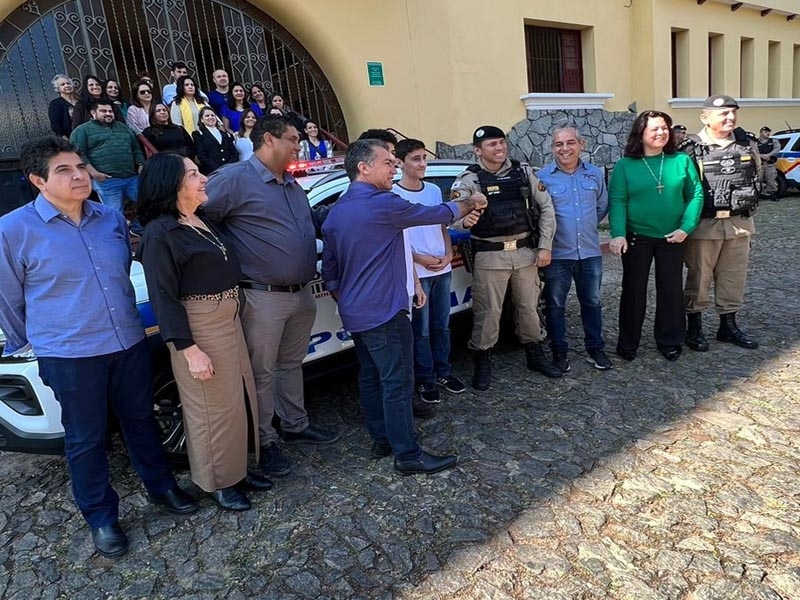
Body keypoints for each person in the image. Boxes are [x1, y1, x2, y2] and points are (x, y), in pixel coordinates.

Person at [0, 136, 197, 558]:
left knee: (141, 421)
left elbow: (123, 272)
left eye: (80, 166)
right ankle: (102, 516)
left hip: (126, 341)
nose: (79, 176)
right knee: (86, 439)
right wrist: (34, 343)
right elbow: (8, 300)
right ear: (37, 180)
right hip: (70, 355)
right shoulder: (13, 230)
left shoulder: (110, 219)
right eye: (64, 171)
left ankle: (162, 488)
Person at [322, 139, 486, 474]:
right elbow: (437, 213)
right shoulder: (383, 204)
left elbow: (331, 270)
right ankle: (407, 455)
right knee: (397, 381)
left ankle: (382, 439)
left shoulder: (336, 211)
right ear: (363, 167)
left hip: (358, 312)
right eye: (386, 162)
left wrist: (346, 298)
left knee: (371, 376)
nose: (394, 166)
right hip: (385, 310)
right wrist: (471, 201)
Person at [203, 116, 339, 479]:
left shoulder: (291, 185)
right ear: (268, 139)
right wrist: (228, 257)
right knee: (261, 375)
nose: (299, 145)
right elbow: (198, 219)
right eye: (293, 139)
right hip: (262, 296)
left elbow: (312, 223)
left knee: (290, 365)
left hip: (300, 293)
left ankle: (295, 424)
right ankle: (265, 443)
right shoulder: (234, 179)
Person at [136, 153, 272, 512]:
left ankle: (237, 471)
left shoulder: (202, 219)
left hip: (228, 317)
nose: (204, 178)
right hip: (200, 325)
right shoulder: (160, 233)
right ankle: (218, 482)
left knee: (237, 402)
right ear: (171, 184)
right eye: (194, 173)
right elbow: (164, 298)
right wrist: (189, 349)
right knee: (210, 408)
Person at [450, 125, 561, 390]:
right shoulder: (469, 180)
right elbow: (453, 217)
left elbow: (546, 208)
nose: (499, 148)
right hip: (490, 257)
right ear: (478, 151)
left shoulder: (523, 173)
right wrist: (466, 220)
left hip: (525, 253)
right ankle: (482, 361)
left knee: (529, 309)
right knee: (488, 313)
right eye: (492, 145)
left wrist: (545, 246)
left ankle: (535, 354)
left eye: (502, 143)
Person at [608, 110, 704, 361]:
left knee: (671, 289)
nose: (661, 132)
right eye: (655, 129)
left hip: (673, 236)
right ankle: (628, 343)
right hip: (637, 237)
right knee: (633, 290)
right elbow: (618, 200)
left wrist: (686, 228)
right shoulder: (625, 165)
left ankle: (670, 340)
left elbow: (695, 195)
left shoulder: (681, 160)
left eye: (665, 128)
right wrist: (618, 234)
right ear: (641, 134)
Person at [681, 94, 761, 352]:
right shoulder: (690, 148)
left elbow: (755, 178)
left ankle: (728, 325)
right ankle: (694, 327)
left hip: (739, 224)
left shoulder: (747, 145)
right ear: (705, 117)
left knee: (733, 278)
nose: (730, 118)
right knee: (699, 278)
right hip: (704, 226)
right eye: (723, 114)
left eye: (733, 112)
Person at [392, 138, 466, 405]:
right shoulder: (394, 195)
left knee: (442, 325)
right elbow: (397, 239)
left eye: (424, 158)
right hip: (417, 273)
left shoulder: (434, 190)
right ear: (400, 163)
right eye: (416, 159)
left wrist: (448, 253)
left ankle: (443, 371)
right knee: (420, 330)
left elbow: (442, 226)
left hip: (441, 268)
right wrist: (419, 258)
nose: (422, 163)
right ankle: (425, 378)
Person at [537, 125, 612, 373]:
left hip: (589, 251)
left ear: (582, 144)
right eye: (559, 144)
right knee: (556, 304)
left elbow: (602, 206)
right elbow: (539, 214)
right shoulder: (542, 177)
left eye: (570, 142)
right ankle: (559, 351)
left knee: (592, 301)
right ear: (552, 148)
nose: (565, 148)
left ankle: (595, 348)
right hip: (557, 254)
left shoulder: (594, 174)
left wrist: (587, 227)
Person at [70, 100, 145, 212]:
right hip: (107, 180)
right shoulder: (82, 130)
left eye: (110, 111)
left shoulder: (123, 127)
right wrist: (94, 173)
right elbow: (78, 154)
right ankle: (118, 230)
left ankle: (137, 229)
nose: (108, 113)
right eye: (103, 111)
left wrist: (140, 164)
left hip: (131, 177)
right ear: (93, 113)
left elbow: (135, 147)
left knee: (146, 205)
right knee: (114, 213)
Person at [193, 106, 238, 175]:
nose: (210, 117)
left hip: (230, 171)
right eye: (207, 116)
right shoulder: (198, 134)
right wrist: (218, 169)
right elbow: (202, 155)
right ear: (201, 119)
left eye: (212, 115)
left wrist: (229, 167)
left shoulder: (225, 134)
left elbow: (234, 153)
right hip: (212, 172)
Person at [48, 74, 77, 139]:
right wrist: (67, 142)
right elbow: (56, 127)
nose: (67, 85)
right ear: (58, 89)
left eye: (68, 83)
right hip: (71, 139)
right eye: (62, 84)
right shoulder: (55, 104)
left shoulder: (80, 102)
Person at [757, 126, 780, 200]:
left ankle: (773, 194)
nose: (768, 133)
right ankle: (757, 195)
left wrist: (768, 155)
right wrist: (761, 156)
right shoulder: (755, 142)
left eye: (768, 132)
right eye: (765, 132)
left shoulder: (773, 141)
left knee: (771, 179)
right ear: (761, 133)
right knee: (758, 180)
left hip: (770, 164)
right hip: (759, 165)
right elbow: (753, 151)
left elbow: (777, 149)